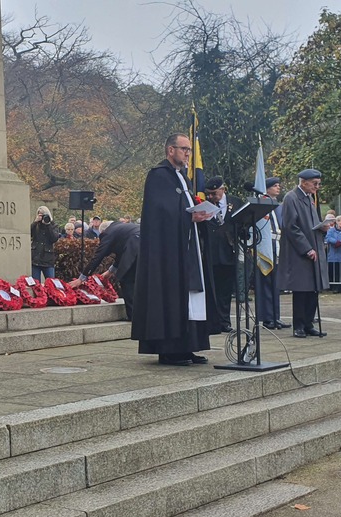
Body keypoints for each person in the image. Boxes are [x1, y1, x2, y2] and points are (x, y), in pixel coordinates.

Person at [131, 133, 213, 366]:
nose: (188, 154)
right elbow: (160, 214)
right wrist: (188, 218)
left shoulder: (183, 179)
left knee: (191, 294)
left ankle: (188, 346)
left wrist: (200, 215)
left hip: (187, 244)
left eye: (189, 150)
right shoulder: (158, 176)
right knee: (172, 295)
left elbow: (182, 206)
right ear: (170, 150)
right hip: (168, 251)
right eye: (184, 149)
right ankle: (170, 349)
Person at [279, 168, 329, 338]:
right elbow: (291, 227)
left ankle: (308, 324)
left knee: (313, 289)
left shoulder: (309, 198)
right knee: (301, 289)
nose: (317, 187)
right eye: (315, 184)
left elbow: (312, 223)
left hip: (314, 248)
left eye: (318, 184)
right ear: (303, 182)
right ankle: (298, 325)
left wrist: (323, 227)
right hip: (300, 252)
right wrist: (306, 248)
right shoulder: (291, 198)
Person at [69, 220, 141, 320]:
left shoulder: (108, 233)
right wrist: (110, 271)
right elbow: (122, 254)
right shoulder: (120, 229)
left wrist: (82, 278)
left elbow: (98, 257)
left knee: (126, 279)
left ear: (102, 232)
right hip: (147, 245)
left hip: (135, 245)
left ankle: (134, 317)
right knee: (139, 281)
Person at [201, 176, 243, 332]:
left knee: (225, 291)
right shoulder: (204, 205)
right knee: (211, 290)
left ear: (223, 190)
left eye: (214, 193)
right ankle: (211, 323)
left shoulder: (236, 202)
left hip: (228, 251)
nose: (211, 197)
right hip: (210, 253)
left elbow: (242, 224)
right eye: (208, 194)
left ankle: (224, 322)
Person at [255, 177, 290, 330]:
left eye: (278, 185)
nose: (278, 188)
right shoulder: (262, 202)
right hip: (266, 245)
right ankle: (267, 317)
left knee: (276, 283)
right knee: (266, 283)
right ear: (266, 188)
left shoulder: (276, 205)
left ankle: (276, 316)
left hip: (277, 243)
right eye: (275, 186)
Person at [30, 205, 59, 282]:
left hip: (48, 259)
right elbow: (28, 233)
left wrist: (48, 225)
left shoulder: (53, 225)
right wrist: (35, 222)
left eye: (44, 215)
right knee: (36, 285)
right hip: (36, 258)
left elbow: (54, 238)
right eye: (40, 215)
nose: (42, 217)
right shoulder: (36, 225)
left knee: (51, 284)